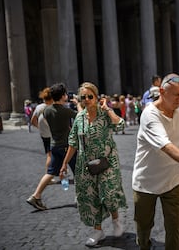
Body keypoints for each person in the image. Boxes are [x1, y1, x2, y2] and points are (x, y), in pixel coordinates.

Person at [132, 73, 179, 250]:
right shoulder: (150, 115)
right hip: (146, 182)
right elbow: (166, 145)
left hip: (173, 181)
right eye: (176, 95)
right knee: (143, 228)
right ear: (162, 91)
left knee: (174, 228)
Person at [59, 82, 127, 246]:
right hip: (86, 164)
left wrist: (108, 109)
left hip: (107, 162)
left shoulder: (104, 115)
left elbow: (120, 125)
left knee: (109, 194)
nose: (87, 99)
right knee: (92, 198)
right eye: (84, 97)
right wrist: (64, 164)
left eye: (90, 96)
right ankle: (98, 231)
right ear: (80, 100)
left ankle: (116, 220)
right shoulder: (79, 118)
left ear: (97, 97)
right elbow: (73, 142)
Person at [26, 83, 81, 211]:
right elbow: (80, 116)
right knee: (78, 172)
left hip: (54, 145)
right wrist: (78, 104)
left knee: (50, 173)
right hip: (68, 146)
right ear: (63, 96)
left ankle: (36, 195)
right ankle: (79, 197)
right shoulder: (65, 111)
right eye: (65, 94)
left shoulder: (46, 110)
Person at [30, 87, 54, 173]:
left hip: (43, 134)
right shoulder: (52, 108)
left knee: (49, 153)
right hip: (53, 134)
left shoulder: (39, 107)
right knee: (50, 155)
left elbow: (32, 120)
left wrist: (39, 127)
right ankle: (49, 174)